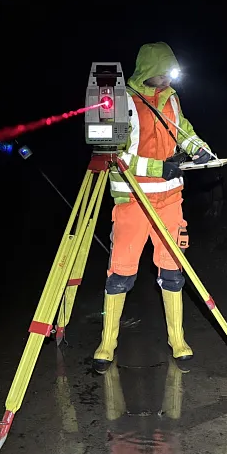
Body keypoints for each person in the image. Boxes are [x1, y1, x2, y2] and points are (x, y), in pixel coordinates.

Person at [93, 42, 212, 374]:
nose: (165, 79)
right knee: (120, 274)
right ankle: (107, 344)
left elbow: (182, 130)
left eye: (169, 73)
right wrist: (161, 169)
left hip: (170, 200)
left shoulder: (172, 97)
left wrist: (200, 149)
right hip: (133, 201)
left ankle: (179, 342)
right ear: (147, 70)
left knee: (173, 271)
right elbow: (117, 156)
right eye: (161, 73)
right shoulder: (123, 102)